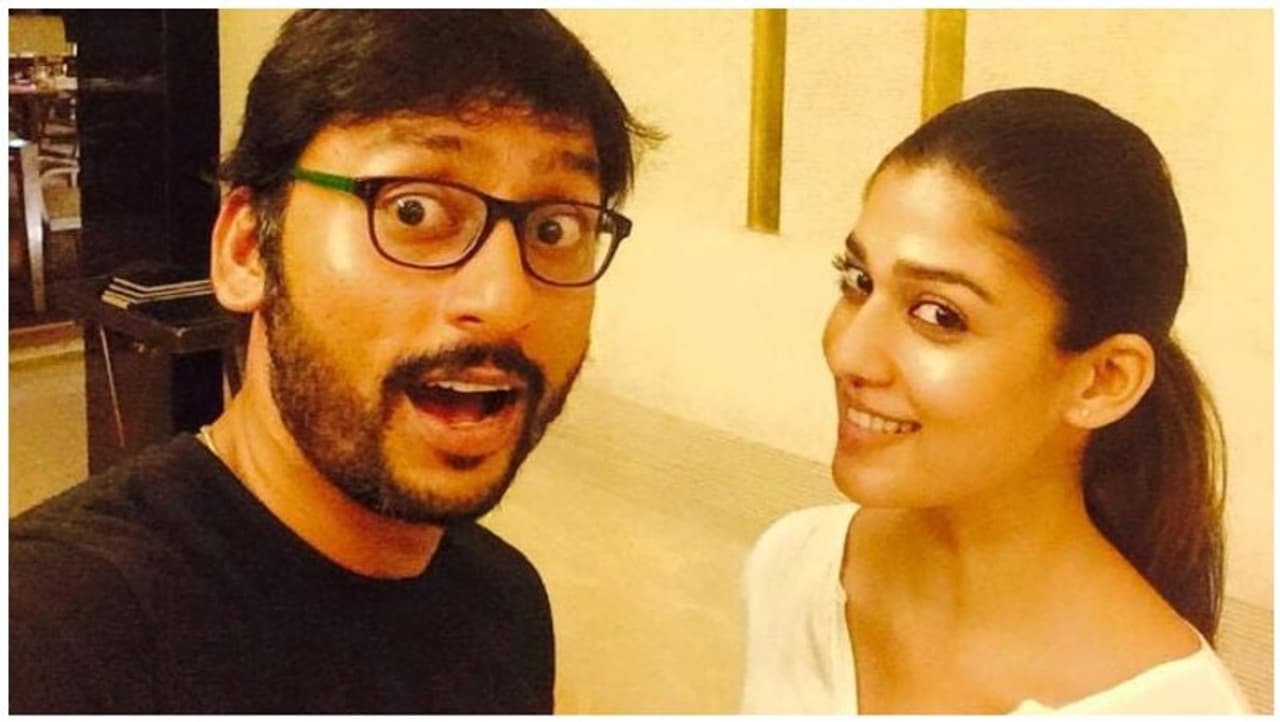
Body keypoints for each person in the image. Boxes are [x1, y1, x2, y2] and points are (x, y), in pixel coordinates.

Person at [10, 10, 655, 713]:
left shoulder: (509, 602)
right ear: (248, 250)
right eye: (413, 211)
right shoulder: (58, 632)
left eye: (555, 227)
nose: (505, 301)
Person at [740, 88, 1251, 714]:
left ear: (1103, 380)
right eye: (858, 281)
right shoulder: (798, 568)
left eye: (939, 314)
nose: (849, 354)